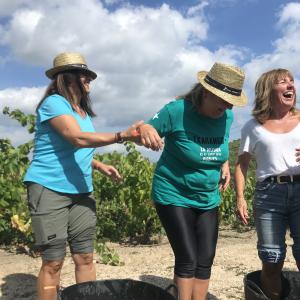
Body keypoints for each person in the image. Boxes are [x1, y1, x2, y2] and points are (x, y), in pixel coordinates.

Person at [23, 52, 142, 300]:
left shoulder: (83, 113)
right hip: (49, 188)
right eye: (84, 75)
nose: (89, 79)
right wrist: (122, 135)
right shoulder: (54, 103)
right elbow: (76, 138)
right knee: (53, 261)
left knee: (85, 256)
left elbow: (74, 148)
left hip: (81, 190)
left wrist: (98, 165)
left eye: (89, 75)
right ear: (66, 77)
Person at [138, 62, 247, 300]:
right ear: (207, 92)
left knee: (205, 258)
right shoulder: (176, 110)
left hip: (208, 196)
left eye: (231, 102)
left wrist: (224, 164)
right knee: (188, 258)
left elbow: (220, 143)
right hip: (173, 192)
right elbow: (144, 129)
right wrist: (145, 128)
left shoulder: (226, 116)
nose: (228, 106)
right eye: (224, 99)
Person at [235, 68, 300, 299]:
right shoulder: (252, 127)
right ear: (268, 90)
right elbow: (241, 165)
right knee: (272, 259)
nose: (290, 85)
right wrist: (240, 197)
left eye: (292, 81)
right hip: (268, 195)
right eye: (283, 82)